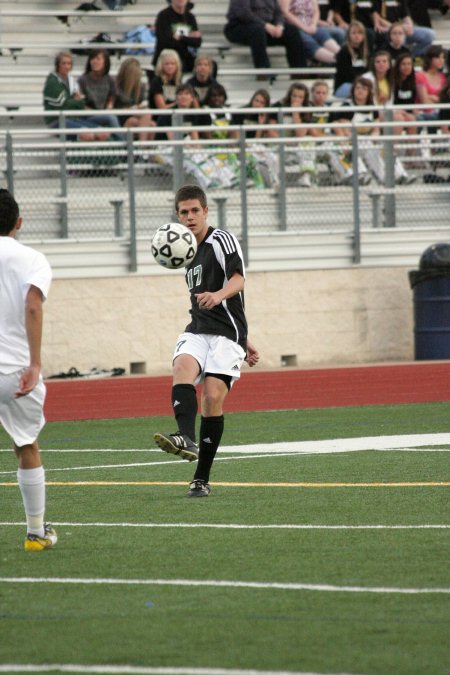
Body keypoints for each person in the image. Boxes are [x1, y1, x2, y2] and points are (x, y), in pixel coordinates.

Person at [154, 184, 259, 497]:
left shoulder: (220, 239)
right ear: (177, 215)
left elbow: (239, 279)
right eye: (184, 212)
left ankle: (201, 478)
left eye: (195, 211)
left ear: (205, 211)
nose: (189, 217)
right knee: (181, 367)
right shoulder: (186, 253)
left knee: (212, 398)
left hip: (227, 335)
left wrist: (220, 297)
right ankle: (185, 436)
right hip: (198, 329)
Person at [0, 189, 57, 551]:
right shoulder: (32, 258)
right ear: (19, 223)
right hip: (14, 372)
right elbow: (32, 306)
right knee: (26, 445)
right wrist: (35, 363)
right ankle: (36, 533)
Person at [331, 75, 413, 184]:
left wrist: (375, 135)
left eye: (364, 89)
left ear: (369, 92)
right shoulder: (346, 107)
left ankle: (399, 175)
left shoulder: (372, 108)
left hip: (367, 143)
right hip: (352, 143)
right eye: (358, 88)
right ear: (353, 90)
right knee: (366, 147)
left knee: (384, 147)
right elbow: (345, 131)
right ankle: (362, 175)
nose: (360, 91)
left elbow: (376, 128)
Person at [224, 0, 307, 73]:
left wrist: (279, 26)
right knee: (257, 30)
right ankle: (263, 71)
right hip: (239, 26)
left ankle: (300, 72)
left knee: (291, 31)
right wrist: (265, 25)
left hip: (264, 28)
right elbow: (244, 14)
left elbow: (278, 13)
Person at [43, 51, 108, 141]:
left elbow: (81, 104)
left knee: (103, 133)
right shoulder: (52, 82)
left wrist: (76, 102)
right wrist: (76, 101)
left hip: (72, 118)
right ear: (58, 65)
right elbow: (62, 106)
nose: (66, 66)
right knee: (87, 135)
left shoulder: (71, 80)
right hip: (57, 121)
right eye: (63, 63)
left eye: (69, 64)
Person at [275, 82, 318, 187]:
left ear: (304, 99)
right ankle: (275, 183)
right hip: (280, 148)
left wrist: (296, 113)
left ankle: (305, 176)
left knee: (308, 140)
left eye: (300, 97)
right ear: (289, 96)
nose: (296, 99)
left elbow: (300, 135)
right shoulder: (278, 107)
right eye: (294, 96)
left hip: (297, 149)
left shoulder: (307, 112)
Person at [278, 0, 341, 64]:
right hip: (294, 28)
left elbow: (316, 11)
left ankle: (345, 56)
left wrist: (313, 25)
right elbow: (285, 12)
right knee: (308, 41)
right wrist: (304, 27)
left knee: (324, 34)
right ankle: (340, 59)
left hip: (311, 25)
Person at [77, 48, 121, 139]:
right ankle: (124, 146)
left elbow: (112, 98)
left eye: (98, 59)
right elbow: (80, 103)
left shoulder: (109, 80)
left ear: (105, 62)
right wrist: (97, 113)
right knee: (111, 118)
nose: (94, 61)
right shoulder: (82, 80)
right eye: (92, 59)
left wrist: (109, 107)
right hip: (87, 115)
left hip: (104, 112)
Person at [152, 0, 202, 74]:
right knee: (176, 65)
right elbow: (165, 41)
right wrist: (189, 36)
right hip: (166, 57)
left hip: (185, 57)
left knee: (209, 65)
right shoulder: (163, 16)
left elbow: (197, 42)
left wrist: (181, 37)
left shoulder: (190, 17)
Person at [115, 56, 155, 141]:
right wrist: (130, 109)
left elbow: (142, 103)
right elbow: (115, 108)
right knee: (134, 121)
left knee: (152, 124)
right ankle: (142, 146)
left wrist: (138, 107)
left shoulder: (141, 87)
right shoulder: (116, 87)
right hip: (122, 117)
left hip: (137, 115)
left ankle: (145, 151)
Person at [334, 20, 370, 98]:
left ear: (364, 36)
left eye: (360, 33)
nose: (357, 35)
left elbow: (368, 71)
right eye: (354, 33)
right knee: (361, 90)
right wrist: (360, 84)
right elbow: (346, 74)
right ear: (349, 35)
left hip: (363, 85)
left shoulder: (366, 52)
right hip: (345, 85)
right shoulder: (344, 51)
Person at [148, 48, 183, 120]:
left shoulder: (179, 82)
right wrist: (180, 103)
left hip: (176, 117)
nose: (170, 66)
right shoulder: (156, 82)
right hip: (159, 119)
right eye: (167, 64)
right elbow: (162, 108)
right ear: (161, 65)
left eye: (173, 64)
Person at [415, 45, 447, 122]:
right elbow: (425, 101)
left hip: (440, 113)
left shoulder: (443, 77)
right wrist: (437, 100)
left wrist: (431, 97)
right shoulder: (420, 76)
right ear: (430, 59)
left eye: (443, 57)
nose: (441, 60)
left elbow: (444, 100)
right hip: (423, 113)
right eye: (438, 57)